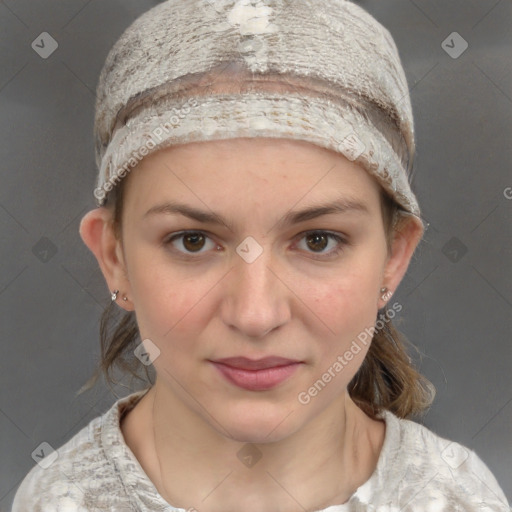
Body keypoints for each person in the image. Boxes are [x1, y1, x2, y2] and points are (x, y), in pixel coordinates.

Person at [11, 1, 510, 511]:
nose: (255, 315)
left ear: (393, 256)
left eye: (318, 240)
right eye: (193, 241)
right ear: (114, 257)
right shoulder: (54, 501)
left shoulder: (460, 497)